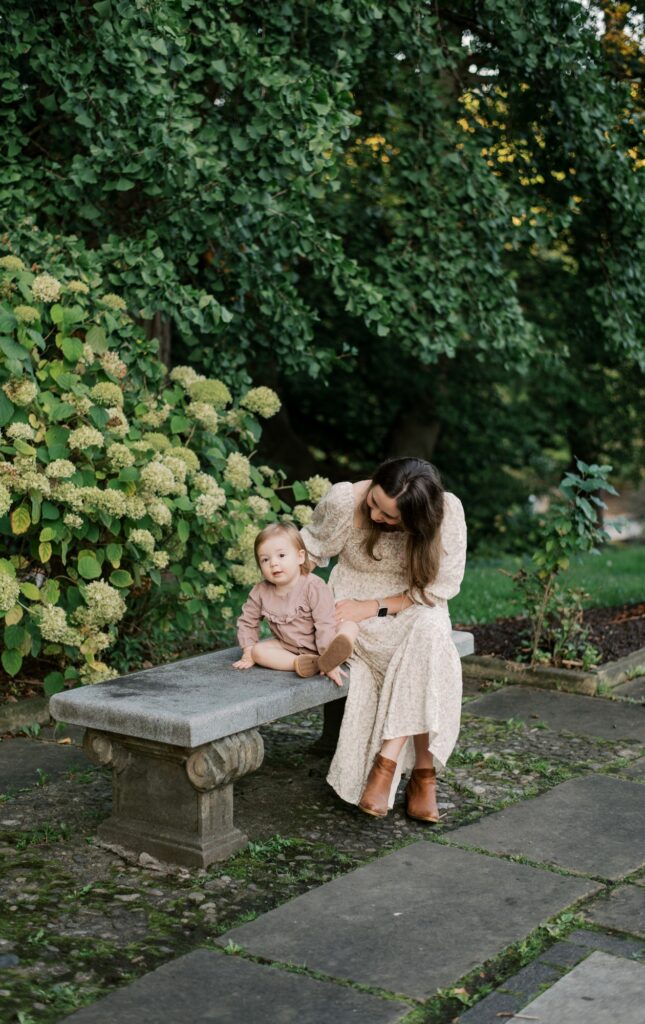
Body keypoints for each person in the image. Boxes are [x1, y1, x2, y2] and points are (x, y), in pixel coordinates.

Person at [299, 457, 467, 822]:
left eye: (390, 517)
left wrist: (373, 606)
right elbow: (308, 554)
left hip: (412, 604)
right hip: (353, 612)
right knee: (432, 650)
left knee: (430, 631)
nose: (375, 516)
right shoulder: (346, 501)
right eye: (374, 502)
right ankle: (425, 777)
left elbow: (436, 592)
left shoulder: (447, 511)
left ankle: (387, 761)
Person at [232, 522, 359, 686]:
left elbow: (324, 624)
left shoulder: (314, 587)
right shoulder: (260, 591)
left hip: (326, 640)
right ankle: (303, 663)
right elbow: (247, 621)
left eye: (281, 556)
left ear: (300, 557)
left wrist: (329, 660)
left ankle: (332, 654)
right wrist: (248, 651)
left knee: (350, 626)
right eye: (265, 559)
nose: (273, 563)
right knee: (258, 651)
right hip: (288, 646)